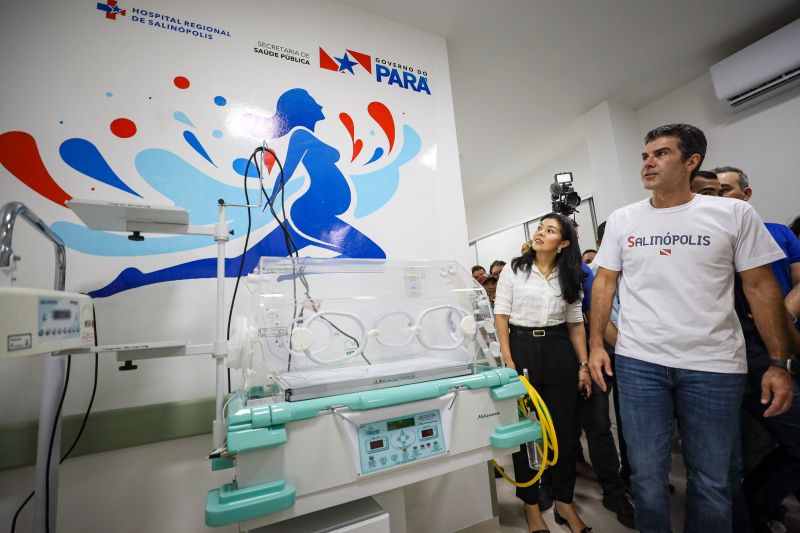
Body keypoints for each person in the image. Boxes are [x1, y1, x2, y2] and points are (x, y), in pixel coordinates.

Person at [588, 123, 792, 533]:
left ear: (691, 161)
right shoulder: (624, 219)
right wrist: (596, 345)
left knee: (713, 481)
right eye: (645, 155)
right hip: (639, 363)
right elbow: (605, 283)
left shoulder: (733, 214)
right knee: (646, 477)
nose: (648, 162)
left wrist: (777, 362)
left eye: (661, 153)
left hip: (713, 364)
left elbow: (760, 287)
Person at [711, 165, 800, 533]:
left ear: (745, 195)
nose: (718, 198)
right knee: (745, 449)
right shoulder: (711, 241)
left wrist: (784, 316)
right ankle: (753, 513)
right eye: (711, 192)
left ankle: (760, 506)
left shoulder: (778, 233)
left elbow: (791, 281)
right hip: (740, 356)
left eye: (725, 190)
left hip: (781, 346)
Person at [495, 213, 593, 533]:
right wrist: (508, 360)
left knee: (564, 431)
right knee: (526, 434)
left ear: (563, 243)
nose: (540, 233)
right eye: (539, 228)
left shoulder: (570, 275)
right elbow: (501, 316)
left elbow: (575, 324)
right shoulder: (515, 268)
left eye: (549, 230)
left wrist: (583, 365)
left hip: (559, 350)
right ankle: (531, 505)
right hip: (522, 347)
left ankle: (565, 502)